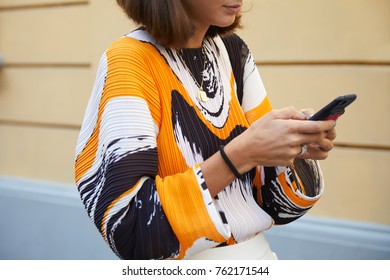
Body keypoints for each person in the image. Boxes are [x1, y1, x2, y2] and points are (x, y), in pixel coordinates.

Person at [74, 0, 336, 260]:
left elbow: (277, 206)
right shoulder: (130, 61)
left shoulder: (232, 52)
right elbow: (129, 229)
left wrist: (292, 146)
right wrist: (240, 155)